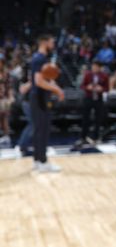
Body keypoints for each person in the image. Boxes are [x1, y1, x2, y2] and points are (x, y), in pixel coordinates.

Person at [30, 34, 65, 173]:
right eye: (51, 41)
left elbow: (39, 78)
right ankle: (43, 162)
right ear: (44, 42)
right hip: (40, 98)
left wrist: (52, 82)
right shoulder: (40, 59)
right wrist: (57, 89)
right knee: (43, 130)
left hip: (38, 97)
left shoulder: (38, 58)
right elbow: (39, 81)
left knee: (39, 130)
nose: (53, 43)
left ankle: (38, 161)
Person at [78, 60, 109, 145]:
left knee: (98, 119)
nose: (94, 68)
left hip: (98, 99)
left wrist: (101, 89)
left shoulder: (104, 76)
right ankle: (83, 137)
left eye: (95, 66)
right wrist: (88, 87)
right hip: (88, 98)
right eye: (93, 66)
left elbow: (107, 88)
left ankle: (96, 137)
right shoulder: (88, 75)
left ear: (99, 67)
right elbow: (82, 86)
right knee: (85, 118)